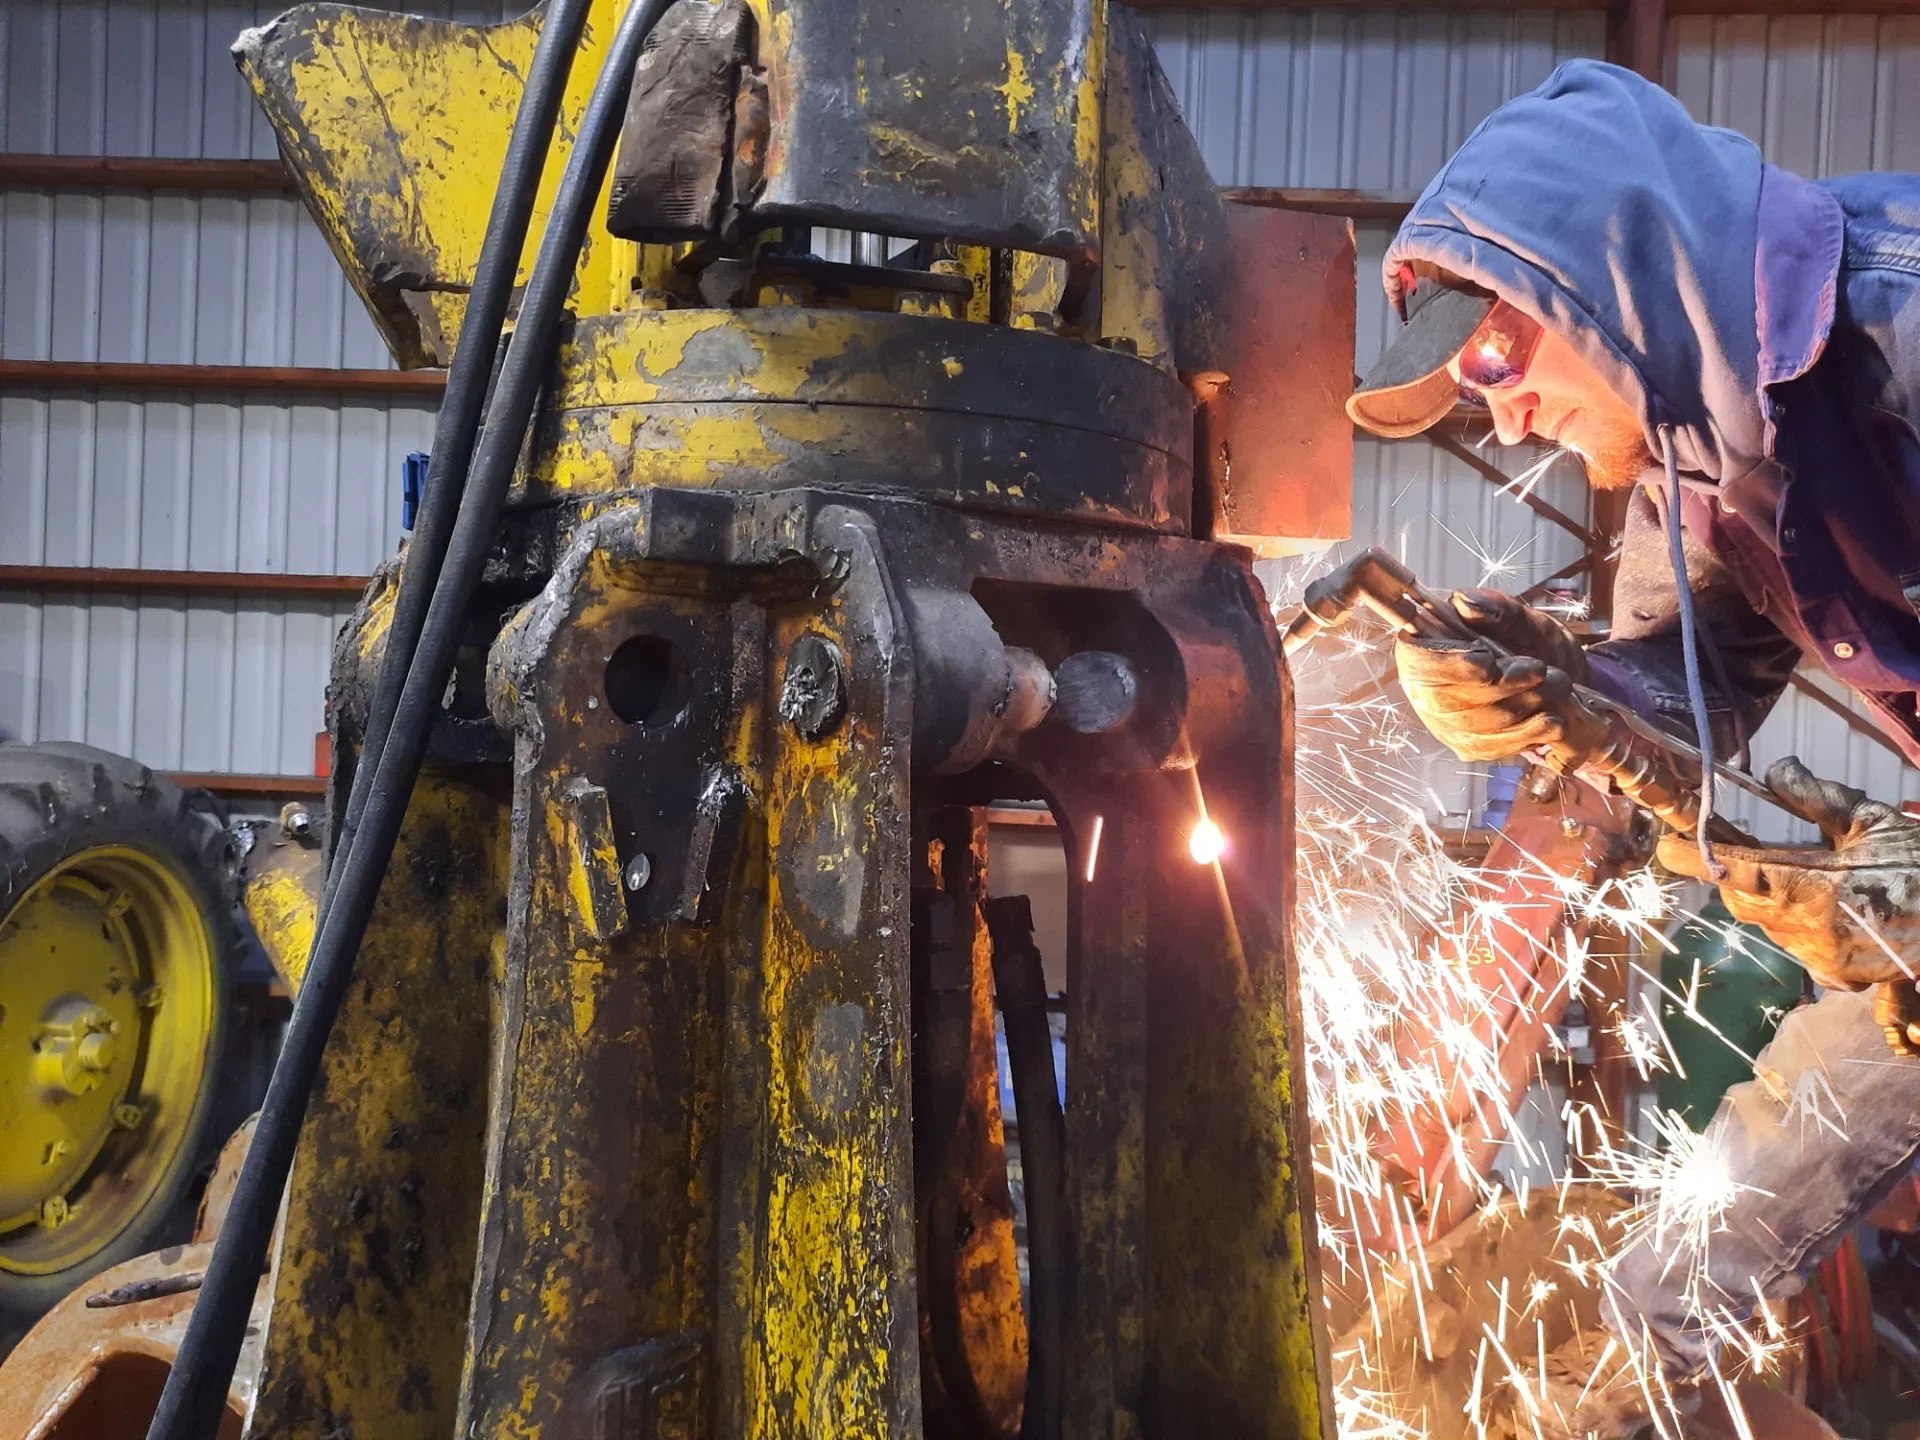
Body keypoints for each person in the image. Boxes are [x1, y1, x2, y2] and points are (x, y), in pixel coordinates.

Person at [1344, 57, 1920, 1414]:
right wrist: (1561, 687)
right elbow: (1681, 688)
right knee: (1669, 1289)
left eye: (1497, 357)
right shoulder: (1693, 460)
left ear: (1610, 281)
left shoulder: (1900, 336)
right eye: (1470, 387)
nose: (1501, 414)